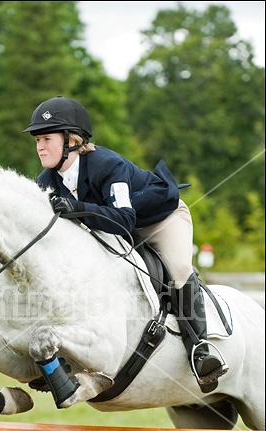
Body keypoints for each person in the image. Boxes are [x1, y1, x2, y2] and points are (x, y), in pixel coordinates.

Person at [23, 96, 228, 393]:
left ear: (72, 140)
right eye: (37, 140)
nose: (40, 146)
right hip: (116, 226)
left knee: (179, 268)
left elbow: (123, 219)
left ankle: (200, 348)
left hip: (160, 219)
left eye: (46, 138)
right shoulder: (46, 181)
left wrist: (77, 207)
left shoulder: (108, 165)